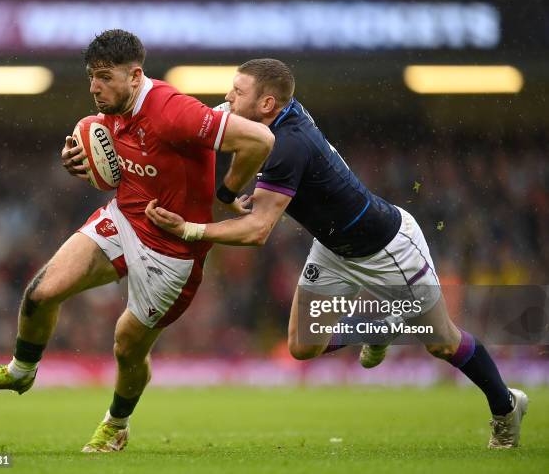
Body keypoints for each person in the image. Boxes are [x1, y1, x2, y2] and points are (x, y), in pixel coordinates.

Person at [145, 58, 528, 449]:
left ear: (267, 104)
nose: (227, 96)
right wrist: (225, 194)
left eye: (237, 91)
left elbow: (258, 230)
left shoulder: (290, 145)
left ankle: (505, 406)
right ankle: (380, 324)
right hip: (333, 248)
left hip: (386, 248)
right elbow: (229, 142)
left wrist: (189, 229)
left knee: (441, 341)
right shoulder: (267, 122)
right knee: (302, 345)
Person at [0, 30, 274, 453]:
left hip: (172, 252)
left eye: (104, 77)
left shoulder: (171, 110)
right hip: (124, 218)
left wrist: (227, 193)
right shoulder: (110, 111)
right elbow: (111, 154)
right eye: (91, 76)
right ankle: (20, 370)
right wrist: (79, 161)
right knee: (41, 293)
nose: (94, 87)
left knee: (126, 348)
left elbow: (260, 139)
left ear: (136, 76)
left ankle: (116, 424)